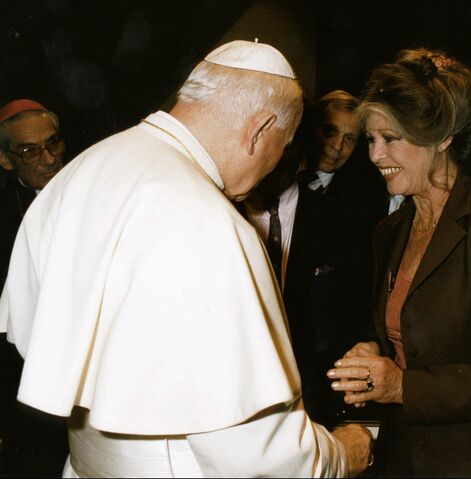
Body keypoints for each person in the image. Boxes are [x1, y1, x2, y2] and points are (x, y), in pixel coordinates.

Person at [0, 40, 373, 478]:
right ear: (259, 129)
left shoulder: (86, 167)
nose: (275, 165)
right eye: (283, 144)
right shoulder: (211, 223)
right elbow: (254, 454)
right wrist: (342, 454)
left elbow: (34, 338)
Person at [326, 47, 471, 477]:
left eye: (391, 138)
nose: (375, 155)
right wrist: (374, 352)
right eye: (371, 140)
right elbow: (408, 337)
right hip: (406, 456)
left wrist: (402, 386)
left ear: (443, 137)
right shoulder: (390, 231)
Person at [245, 90, 388, 428]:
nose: (336, 146)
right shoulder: (222, 209)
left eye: (350, 138)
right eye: (329, 131)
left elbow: (356, 308)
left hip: (310, 403)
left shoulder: (346, 217)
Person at [0, 99, 68, 477]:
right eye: (30, 151)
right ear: (6, 160)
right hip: (20, 368)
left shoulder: (84, 185)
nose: (49, 159)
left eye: (53, 143)